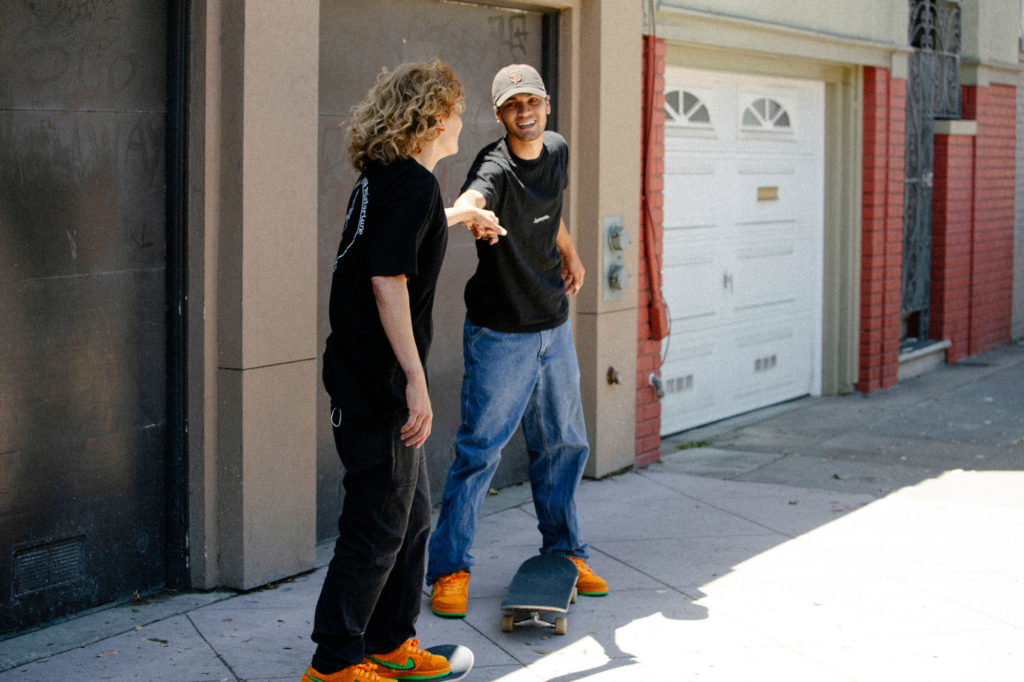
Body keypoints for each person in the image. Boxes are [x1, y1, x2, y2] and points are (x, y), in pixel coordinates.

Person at [303, 61, 498, 682]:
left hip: (361, 375)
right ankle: (334, 665)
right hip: (378, 387)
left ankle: (390, 644)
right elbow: (387, 279)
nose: (463, 121)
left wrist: (460, 215)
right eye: (458, 110)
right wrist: (417, 379)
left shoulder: (386, 181)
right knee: (376, 528)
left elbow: (401, 236)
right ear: (434, 118)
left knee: (410, 520)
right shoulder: (407, 184)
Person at [426, 64, 608, 619]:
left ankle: (566, 553)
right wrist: (470, 213)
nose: (523, 112)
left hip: (554, 324)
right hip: (502, 334)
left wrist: (571, 253)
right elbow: (477, 197)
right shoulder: (494, 166)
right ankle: (449, 569)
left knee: (565, 444)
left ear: (546, 105)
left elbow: (549, 211)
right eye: (512, 105)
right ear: (500, 114)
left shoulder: (556, 150)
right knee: (480, 452)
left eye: (532, 101)